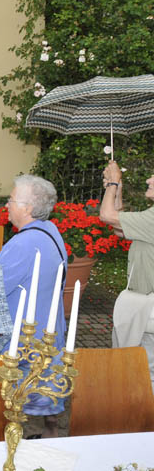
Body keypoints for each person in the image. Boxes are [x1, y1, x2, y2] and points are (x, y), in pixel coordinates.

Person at [0, 174, 67, 438]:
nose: (6, 205)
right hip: (49, 330)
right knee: (45, 391)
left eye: (11, 199)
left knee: (16, 406)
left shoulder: (23, 243)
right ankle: (50, 432)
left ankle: (17, 442)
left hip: (25, 339)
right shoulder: (51, 231)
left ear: (27, 207)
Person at [100, 160, 154, 393]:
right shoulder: (150, 216)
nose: (148, 180)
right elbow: (120, 229)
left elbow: (106, 216)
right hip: (143, 303)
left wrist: (112, 182)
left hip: (148, 306)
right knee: (137, 364)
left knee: (143, 370)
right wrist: (118, 190)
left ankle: (141, 412)